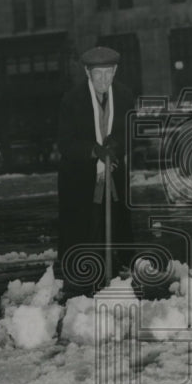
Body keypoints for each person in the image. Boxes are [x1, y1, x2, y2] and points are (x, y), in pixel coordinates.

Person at [56, 46, 135, 296]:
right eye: (98, 74)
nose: (103, 80)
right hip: (80, 177)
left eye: (108, 73)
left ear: (115, 71)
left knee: (116, 225)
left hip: (113, 173)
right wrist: (93, 150)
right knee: (85, 229)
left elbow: (130, 132)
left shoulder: (123, 96)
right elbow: (65, 143)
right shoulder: (72, 99)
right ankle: (80, 282)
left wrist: (116, 145)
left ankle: (119, 271)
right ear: (87, 72)